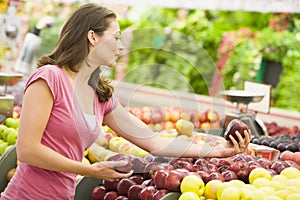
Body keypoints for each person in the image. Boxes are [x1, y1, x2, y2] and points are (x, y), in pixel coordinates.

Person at [0, 3, 251, 200]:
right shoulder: (50, 78)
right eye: (116, 37)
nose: (120, 47)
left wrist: (216, 151)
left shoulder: (100, 95)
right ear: (92, 37)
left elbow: (153, 141)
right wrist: (89, 171)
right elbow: (28, 151)